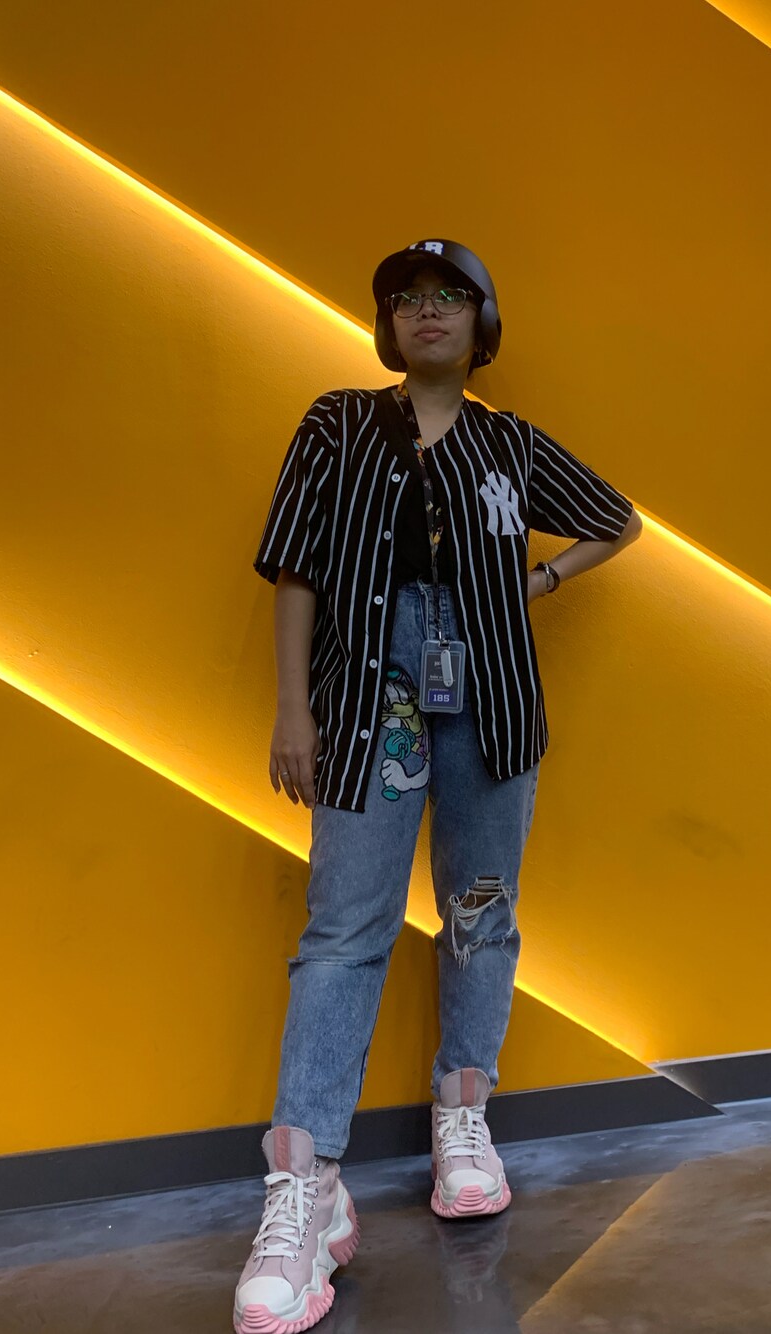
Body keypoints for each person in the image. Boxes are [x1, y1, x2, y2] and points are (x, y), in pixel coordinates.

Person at [233, 239, 642, 1333]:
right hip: (369, 702)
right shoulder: (336, 423)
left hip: (493, 702)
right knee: (344, 929)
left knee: (479, 911)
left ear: (480, 320)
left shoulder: (509, 442)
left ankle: (463, 1117)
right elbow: (295, 566)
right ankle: (306, 1188)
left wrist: (534, 581)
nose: (427, 311)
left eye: (449, 296)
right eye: (407, 298)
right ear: (388, 322)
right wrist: (294, 707)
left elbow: (618, 519)